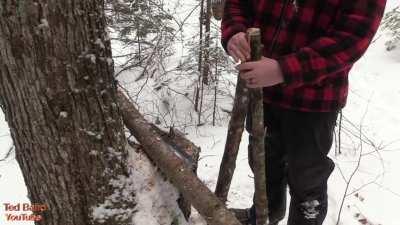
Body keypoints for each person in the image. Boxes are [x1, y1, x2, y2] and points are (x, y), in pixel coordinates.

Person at [221, 0, 386, 225]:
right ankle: (265, 215)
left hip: (314, 101)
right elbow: (237, 3)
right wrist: (234, 31)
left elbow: (352, 38)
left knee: (307, 181)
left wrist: (283, 69)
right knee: (263, 162)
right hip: (263, 92)